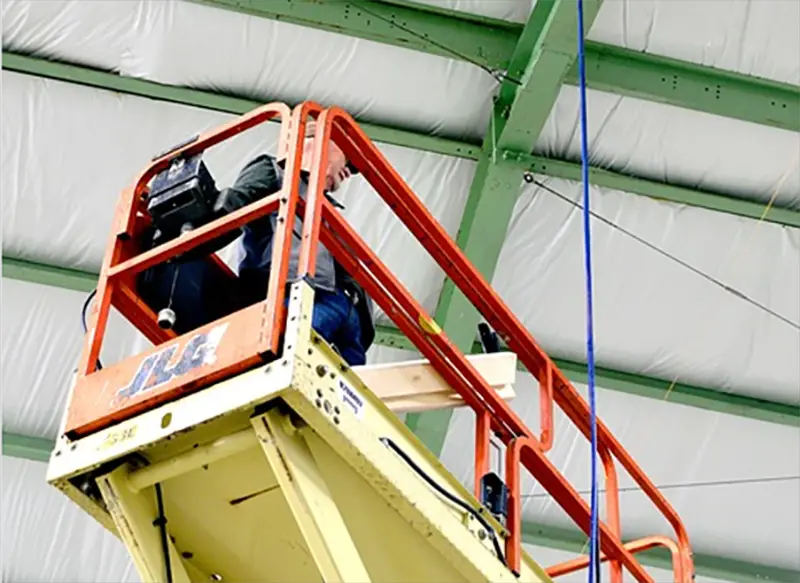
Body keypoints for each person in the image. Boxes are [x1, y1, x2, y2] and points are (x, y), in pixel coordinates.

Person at [138, 122, 375, 366]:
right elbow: (233, 209)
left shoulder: (329, 209)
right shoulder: (274, 171)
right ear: (322, 140)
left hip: (351, 318)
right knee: (285, 364)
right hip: (302, 297)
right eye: (347, 159)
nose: (349, 171)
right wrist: (183, 242)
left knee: (347, 392)